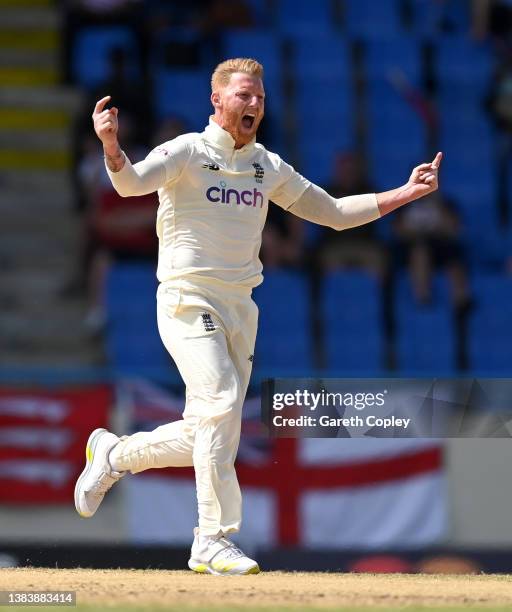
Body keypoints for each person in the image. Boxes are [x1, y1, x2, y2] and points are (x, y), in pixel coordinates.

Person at [74, 58, 443, 575]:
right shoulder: (187, 151)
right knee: (223, 400)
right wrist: (111, 147)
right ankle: (212, 538)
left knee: (210, 427)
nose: (253, 105)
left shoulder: (266, 166)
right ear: (217, 101)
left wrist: (405, 193)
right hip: (187, 298)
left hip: (240, 308)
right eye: (243, 95)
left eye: (260, 98)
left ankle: (114, 456)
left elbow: (333, 214)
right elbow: (130, 185)